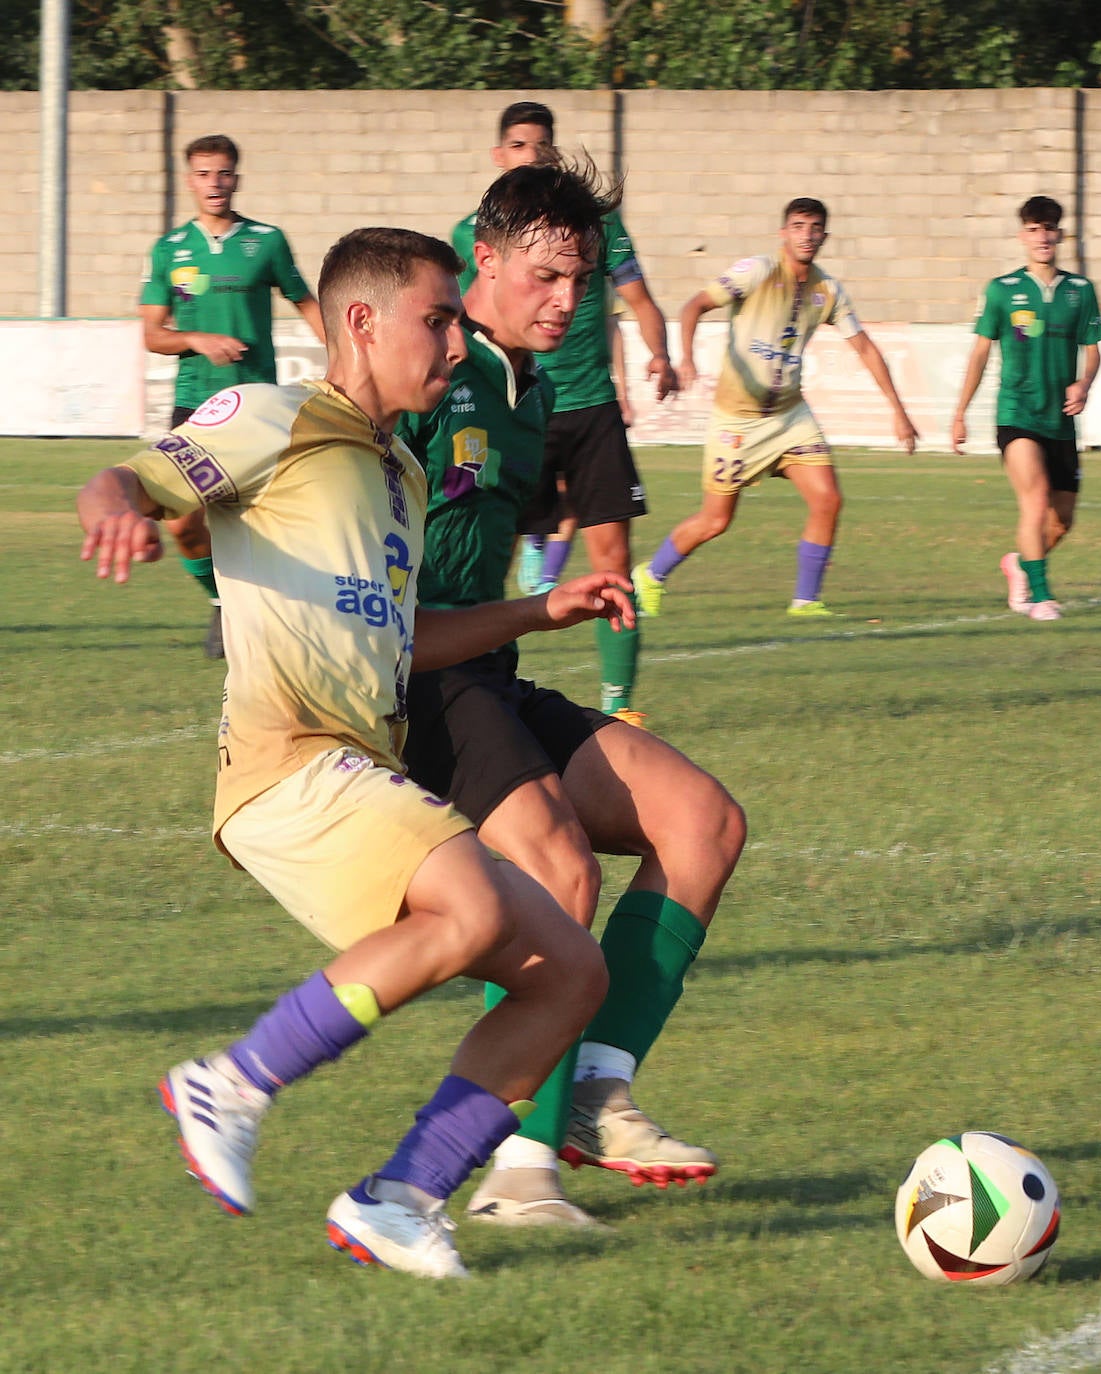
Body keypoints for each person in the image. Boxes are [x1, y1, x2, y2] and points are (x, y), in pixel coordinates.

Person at [79, 226, 640, 1280]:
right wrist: (116, 510)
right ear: (362, 323)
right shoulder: (272, 416)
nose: (453, 336)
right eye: (438, 318)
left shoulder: (398, 472)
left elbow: (403, 638)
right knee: (475, 906)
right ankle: (232, 1083)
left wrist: (541, 608)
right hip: (286, 761)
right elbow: (127, 482)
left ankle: (401, 1196)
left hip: (359, 769)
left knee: (569, 973)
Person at [401, 160, 746, 1229]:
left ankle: (594, 1086)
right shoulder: (421, 372)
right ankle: (517, 1169)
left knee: (703, 822)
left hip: (484, 668)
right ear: (484, 260)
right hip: (405, 683)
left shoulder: (532, 391)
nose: (567, 301)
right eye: (547, 276)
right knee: (554, 865)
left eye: (581, 281)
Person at [452, 101, 677, 721]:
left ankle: (621, 704)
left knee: (612, 563)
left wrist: (660, 355)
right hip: (510, 409)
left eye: (578, 281)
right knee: (470, 544)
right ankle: (534, 543)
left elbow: (637, 300)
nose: (567, 299)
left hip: (586, 405)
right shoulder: (463, 254)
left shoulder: (601, 229)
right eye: (521, 146)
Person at [633, 197, 920, 619]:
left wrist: (899, 410)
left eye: (815, 227)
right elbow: (694, 305)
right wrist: (687, 358)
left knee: (828, 500)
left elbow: (865, 347)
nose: (807, 235)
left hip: (790, 417)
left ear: (825, 235)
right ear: (783, 232)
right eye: (799, 226)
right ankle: (651, 576)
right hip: (738, 421)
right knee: (716, 521)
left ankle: (806, 601)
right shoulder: (757, 272)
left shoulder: (828, 291)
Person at [139, 134, 326, 658]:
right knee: (181, 522)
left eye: (223, 173)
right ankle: (223, 601)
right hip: (195, 404)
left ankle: (291, 620)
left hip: (258, 406)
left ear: (236, 178)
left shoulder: (265, 241)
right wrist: (195, 339)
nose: (214, 183)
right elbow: (153, 335)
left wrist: (346, 356)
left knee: (272, 523)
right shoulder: (170, 250)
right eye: (203, 174)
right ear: (190, 179)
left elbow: (305, 302)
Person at [951, 195, 1101, 621]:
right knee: (1034, 503)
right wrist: (960, 412)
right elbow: (980, 354)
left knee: (1061, 522)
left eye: (1049, 228)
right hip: (1017, 415)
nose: (1043, 237)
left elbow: (1093, 351)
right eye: (1034, 229)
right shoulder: (1003, 290)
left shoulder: (1080, 291)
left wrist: (1084, 383)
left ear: (1060, 234)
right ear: (1023, 235)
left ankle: (1019, 564)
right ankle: (1039, 596)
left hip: (1061, 421)